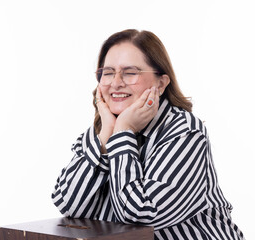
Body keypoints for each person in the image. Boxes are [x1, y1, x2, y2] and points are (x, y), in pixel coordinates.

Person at [51, 29, 245, 240]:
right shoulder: (99, 132)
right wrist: (107, 138)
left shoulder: (184, 132)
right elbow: (68, 205)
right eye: (108, 72)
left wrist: (123, 132)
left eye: (130, 72)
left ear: (161, 83)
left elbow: (141, 217)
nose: (116, 83)